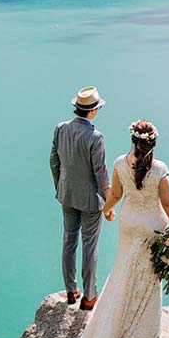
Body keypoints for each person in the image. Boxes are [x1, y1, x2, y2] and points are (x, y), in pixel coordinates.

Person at [59, 119, 169, 338]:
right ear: (153, 143)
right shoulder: (160, 171)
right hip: (152, 227)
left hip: (129, 225)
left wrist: (107, 211)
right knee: (147, 276)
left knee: (124, 271)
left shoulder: (119, 163)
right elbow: (168, 203)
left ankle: (115, 318)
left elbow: (115, 195)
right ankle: (138, 323)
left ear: (133, 141)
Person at [50, 86, 111, 311]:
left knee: (68, 241)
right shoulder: (95, 137)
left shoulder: (60, 129)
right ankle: (90, 297)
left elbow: (54, 161)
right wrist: (109, 202)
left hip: (67, 195)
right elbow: (101, 173)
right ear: (93, 111)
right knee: (90, 247)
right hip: (90, 201)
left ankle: (70, 290)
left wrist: (60, 186)